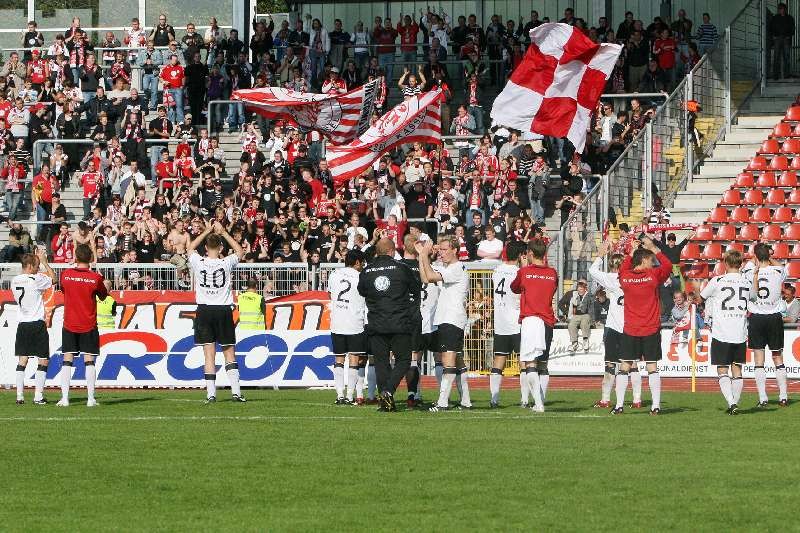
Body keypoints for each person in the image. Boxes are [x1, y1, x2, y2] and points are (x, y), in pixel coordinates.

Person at [357, 238, 420, 412]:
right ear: (392, 251)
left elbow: (361, 291)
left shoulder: (367, 270)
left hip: (376, 323)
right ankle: (388, 391)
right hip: (399, 322)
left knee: (381, 363)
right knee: (404, 360)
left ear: (377, 252)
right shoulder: (402, 268)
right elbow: (415, 289)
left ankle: (385, 403)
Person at [187, 220, 246, 404]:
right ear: (220, 247)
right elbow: (240, 251)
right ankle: (236, 393)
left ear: (206, 248)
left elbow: (190, 248)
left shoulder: (199, 261)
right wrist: (224, 233)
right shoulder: (226, 262)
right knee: (229, 352)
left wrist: (206, 230)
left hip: (204, 310)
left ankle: (211, 394)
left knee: (209, 354)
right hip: (223, 310)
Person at [615, 236, 672, 415]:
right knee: (652, 367)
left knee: (624, 366)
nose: (652, 262)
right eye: (650, 260)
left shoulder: (625, 277)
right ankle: (655, 405)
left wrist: (631, 253)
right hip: (650, 328)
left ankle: (619, 405)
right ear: (644, 260)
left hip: (631, 328)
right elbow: (668, 266)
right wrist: (654, 248)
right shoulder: (652, 276)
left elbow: (621, 270)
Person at [417, 235, 471, 411]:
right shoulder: (447, 268)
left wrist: (424, 255)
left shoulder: (457, 268)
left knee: (448, 360)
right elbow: (425, 278)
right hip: (446, 318)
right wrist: (422, 256)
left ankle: (442, 403)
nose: (441, 253)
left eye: (445, 249)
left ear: (455, 250)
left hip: (452, 318)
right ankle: (466, 401)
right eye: (440, 249)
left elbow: (430, 276)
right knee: (458, 360)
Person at [700, 250, 752, 415]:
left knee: (722, 369)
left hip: (721, 331)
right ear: (741, 264)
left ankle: (731, 402)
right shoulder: (747, 282)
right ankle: (734, 403)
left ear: (726, 263)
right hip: (740, 331)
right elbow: (754, 297)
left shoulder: (717, 280)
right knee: (737, 369)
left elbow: (701, 297)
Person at [58, 244, 109, 407]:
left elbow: (64, 290)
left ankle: (65, 398)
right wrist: (107, 285)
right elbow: (103, 296)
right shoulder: (95, 278)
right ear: (91, 258)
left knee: (67, 359)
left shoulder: (66, 275)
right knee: (89, 360)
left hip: (70, 323)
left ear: (76, 257)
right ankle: (90, 399)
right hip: (88, 323)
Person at [510, 239, 557, 413]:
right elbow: (552, 289)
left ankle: (538, 404)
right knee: (543, 364)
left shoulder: (525, 272)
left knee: (530, 363)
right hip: (548, 321)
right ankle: (540, 400)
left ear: (530, 253)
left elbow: (514, 288)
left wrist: (524, 268)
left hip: (531, 320)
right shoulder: (553, 273)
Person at [742, 243, 789, 407]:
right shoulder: (777, 271)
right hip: (774, 317)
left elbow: (749, 263)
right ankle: (783, 396)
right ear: (768, 256)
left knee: (759, 359)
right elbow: (782, 267)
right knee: (777, 356)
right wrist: (769, 257)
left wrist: (757, 257)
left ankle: (763, 398)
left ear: (755, 256)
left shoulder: (749, 271)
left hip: (757, 318)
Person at [12, 249, 56, 404]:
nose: (38, 269)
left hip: (22, 324)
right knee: (43, 360)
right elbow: (54, 279)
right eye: (37, 266)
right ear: (30, 266)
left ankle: (19, 396)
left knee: (22, 360)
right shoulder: (35, 279)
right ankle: (38, 396)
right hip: (36, 324)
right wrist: (45, 262)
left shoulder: (15, 280)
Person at [589, 241, 629, 409]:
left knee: (610, 364)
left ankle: (605, 399)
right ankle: (636, 399)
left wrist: (600, 255)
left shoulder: (613, 279)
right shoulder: (633, 279)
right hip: (630, 327)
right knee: (631, 365)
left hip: (614, 327)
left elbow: (592, 271)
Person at [328, 250, 367, 405]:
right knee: (354, 359)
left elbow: (329, 294)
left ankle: (339, 395)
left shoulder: (334, 274)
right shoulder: (361, 277)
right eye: (362, 262)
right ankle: (350, 396)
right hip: (355, 322)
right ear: (357, 262)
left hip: (337, 321)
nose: (363, 265)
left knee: (339, 359)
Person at [489, 241, 524, 408]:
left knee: (499, 360)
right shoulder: (519, 272)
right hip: (516, 322)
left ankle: (494, 399)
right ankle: (525, 399)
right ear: (520, 255)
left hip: (500, 322)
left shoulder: (496, 271)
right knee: (523, 361)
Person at [400, 234, 425, 408]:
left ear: (403, 246)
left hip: (398, 316)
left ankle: (385, 392)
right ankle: (413, 394)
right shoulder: (422, 266)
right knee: (415, 358)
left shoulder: (397, 266)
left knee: (394, 356)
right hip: (417, 315)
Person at [567, 280, 592, 352]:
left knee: (584, 323)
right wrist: (569, 317)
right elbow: (571, 307)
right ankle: (574, 343)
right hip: (577, 315)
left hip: (586, 314)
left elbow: (591, 308)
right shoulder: (575, 296)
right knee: (571, 324)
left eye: (581, 289)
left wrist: (592, 319)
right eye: (578, 289)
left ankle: (585, 340)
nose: (580, 291)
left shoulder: (589, 296)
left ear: (585, 289)